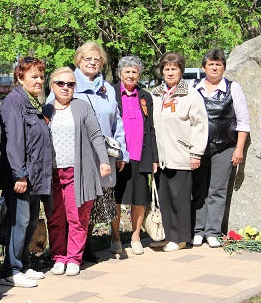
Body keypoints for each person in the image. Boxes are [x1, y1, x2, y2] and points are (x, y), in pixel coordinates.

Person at [47, 42, 128, 261]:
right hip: (71, 157)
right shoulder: (66, 82)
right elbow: (49, 117)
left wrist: (121, 152)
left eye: (97, 59)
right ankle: (65, 252)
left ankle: (83, 247)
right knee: (69, 205)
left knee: (89, 205)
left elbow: (117, 122)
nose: (92, 63)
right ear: (78, 61)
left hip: (101, 156)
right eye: (87, 59)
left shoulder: (108, 89)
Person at [42, 67, 111, 276]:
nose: (65, 88)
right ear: (52, 86)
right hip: (52, 173)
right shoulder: (45, 109)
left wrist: (104, 160)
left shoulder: (82, 107)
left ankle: (73, 258)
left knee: (77, 217)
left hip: (78, 172)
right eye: (60, 83)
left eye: (70, 84)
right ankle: (58, 257)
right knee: (54, 218)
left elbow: (96, 135)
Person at [0, 56, 52, 288]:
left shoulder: (32, 102)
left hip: (34, 175)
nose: (39, 81)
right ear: (20, 77)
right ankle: (11, 269)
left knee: (29, 223)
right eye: (34, 76)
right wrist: (19, 174)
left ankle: (24, 263)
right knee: (19, 222)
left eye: (41, 76)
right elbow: (14, 142)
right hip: (21, 176)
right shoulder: (14, 102)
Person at [192, 48, 250, 248]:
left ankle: (213, 232)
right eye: (211, 64)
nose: (214, 67)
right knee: (198, 189)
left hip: (224, 147)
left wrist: (239, 149)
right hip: (198, 148)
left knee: (217, 190)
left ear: (224, 68)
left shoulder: (233, 88)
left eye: (218, 64)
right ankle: (198, 230)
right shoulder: (194, 88)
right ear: (204, 67)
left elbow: (243, 122)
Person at [150, 52, 208, 252]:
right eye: (166, 69)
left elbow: (199, 125)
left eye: (174, 68)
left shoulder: (190, 94)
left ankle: (181, 237)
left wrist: (196, 153)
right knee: (164, 198)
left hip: (181, 153)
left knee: (180, 199)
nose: (170, 72)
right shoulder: (155, 94)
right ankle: (168, 235)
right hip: (161, 157)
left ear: (181, 71)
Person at [113, 56, 158, 255]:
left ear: (139, 74)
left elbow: (151, 128)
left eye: (134, 72)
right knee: (116, 197)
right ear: (120, 74)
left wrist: (154, 158)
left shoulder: (145, 96)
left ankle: (136, 236)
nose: (131, 75)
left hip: (140, 154)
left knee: (139, 199)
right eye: (127, 72)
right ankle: (115, 238)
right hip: (118, 156)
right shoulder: (111, 93)